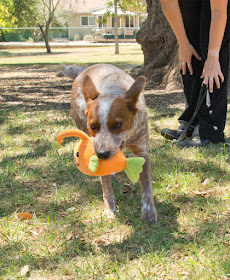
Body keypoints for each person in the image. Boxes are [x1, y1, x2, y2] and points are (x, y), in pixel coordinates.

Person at [160, 0, 230, 147]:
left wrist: (212, 57)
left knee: (211, 60)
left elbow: (219, 11)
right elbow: (168, 3)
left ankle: (210, 131)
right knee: (189, 55)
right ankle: (192, 121)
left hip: (218, 7)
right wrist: (183, 44)